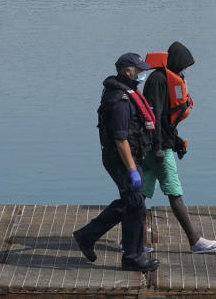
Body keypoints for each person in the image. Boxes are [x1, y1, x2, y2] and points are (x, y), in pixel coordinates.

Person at [73, 53, 160, 272]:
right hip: (121, 160)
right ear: (126, 71)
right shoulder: (120, 100)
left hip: (128, 157)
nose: (141, 74)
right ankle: (131, 257)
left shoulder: (126, 92)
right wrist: (133, 171)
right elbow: (121, 140)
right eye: (138, 70)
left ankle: (87, 235)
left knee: (133, 203)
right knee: (136, 205)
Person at [142, 41, 216, 254]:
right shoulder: (158, 80)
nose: (185, 70)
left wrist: (176, 141)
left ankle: (133, 241)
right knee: (175, 193)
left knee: (139, 196)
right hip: (157, 149)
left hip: (155, 146)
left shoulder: (166, 79)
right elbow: (154, 117)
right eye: (184, 65)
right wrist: (159, 147)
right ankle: (195, 241)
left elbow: (167, 121)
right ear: (176, 62)